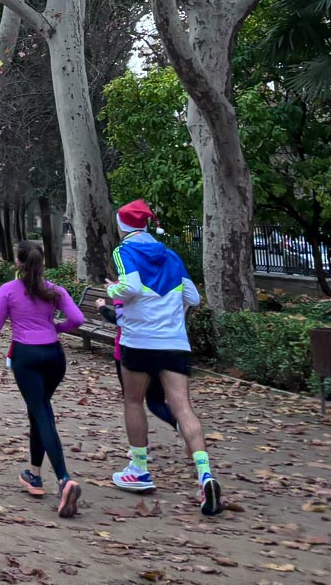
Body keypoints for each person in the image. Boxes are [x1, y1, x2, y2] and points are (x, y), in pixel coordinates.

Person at [105, 199, 223, 516]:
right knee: (182, 406)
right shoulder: (171, 256)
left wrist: (112, 291)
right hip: (174, 342)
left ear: (123, 226)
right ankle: (205, 475)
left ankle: (139, 469)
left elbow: (130, 287)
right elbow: (193, 297)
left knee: (133, 401)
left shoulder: (124, 251)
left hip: (139, 340)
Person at [0, 241, 85, 518]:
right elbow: (78, 319)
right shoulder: (54, 290)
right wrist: (57, 327)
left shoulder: (8, 290)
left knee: (41, 413)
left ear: (17, 262)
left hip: (26, 356)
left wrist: (14, 317)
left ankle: (64, 479)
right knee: (37, 411)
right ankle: (34, 475)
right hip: (54, 356)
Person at [96, 295, 178, 430]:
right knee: (155, 402)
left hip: (128, 352)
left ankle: (139, 443)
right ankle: (185, 428)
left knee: (133, 402)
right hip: (158, 348)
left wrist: (102, 308)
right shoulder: (155, 291)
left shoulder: (123, 291)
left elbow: (120, 320)